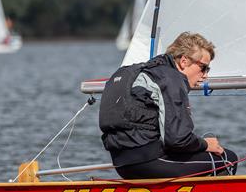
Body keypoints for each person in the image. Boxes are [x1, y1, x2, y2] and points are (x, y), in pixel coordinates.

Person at [99, 31, 238, 179]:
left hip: (122, 165)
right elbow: (178, 140)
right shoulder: (171, 78)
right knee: (228, 159)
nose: (205, 75)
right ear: (184, 61)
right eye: (203, 68)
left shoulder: (134, 71)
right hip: (149, 162)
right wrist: (205, 144)